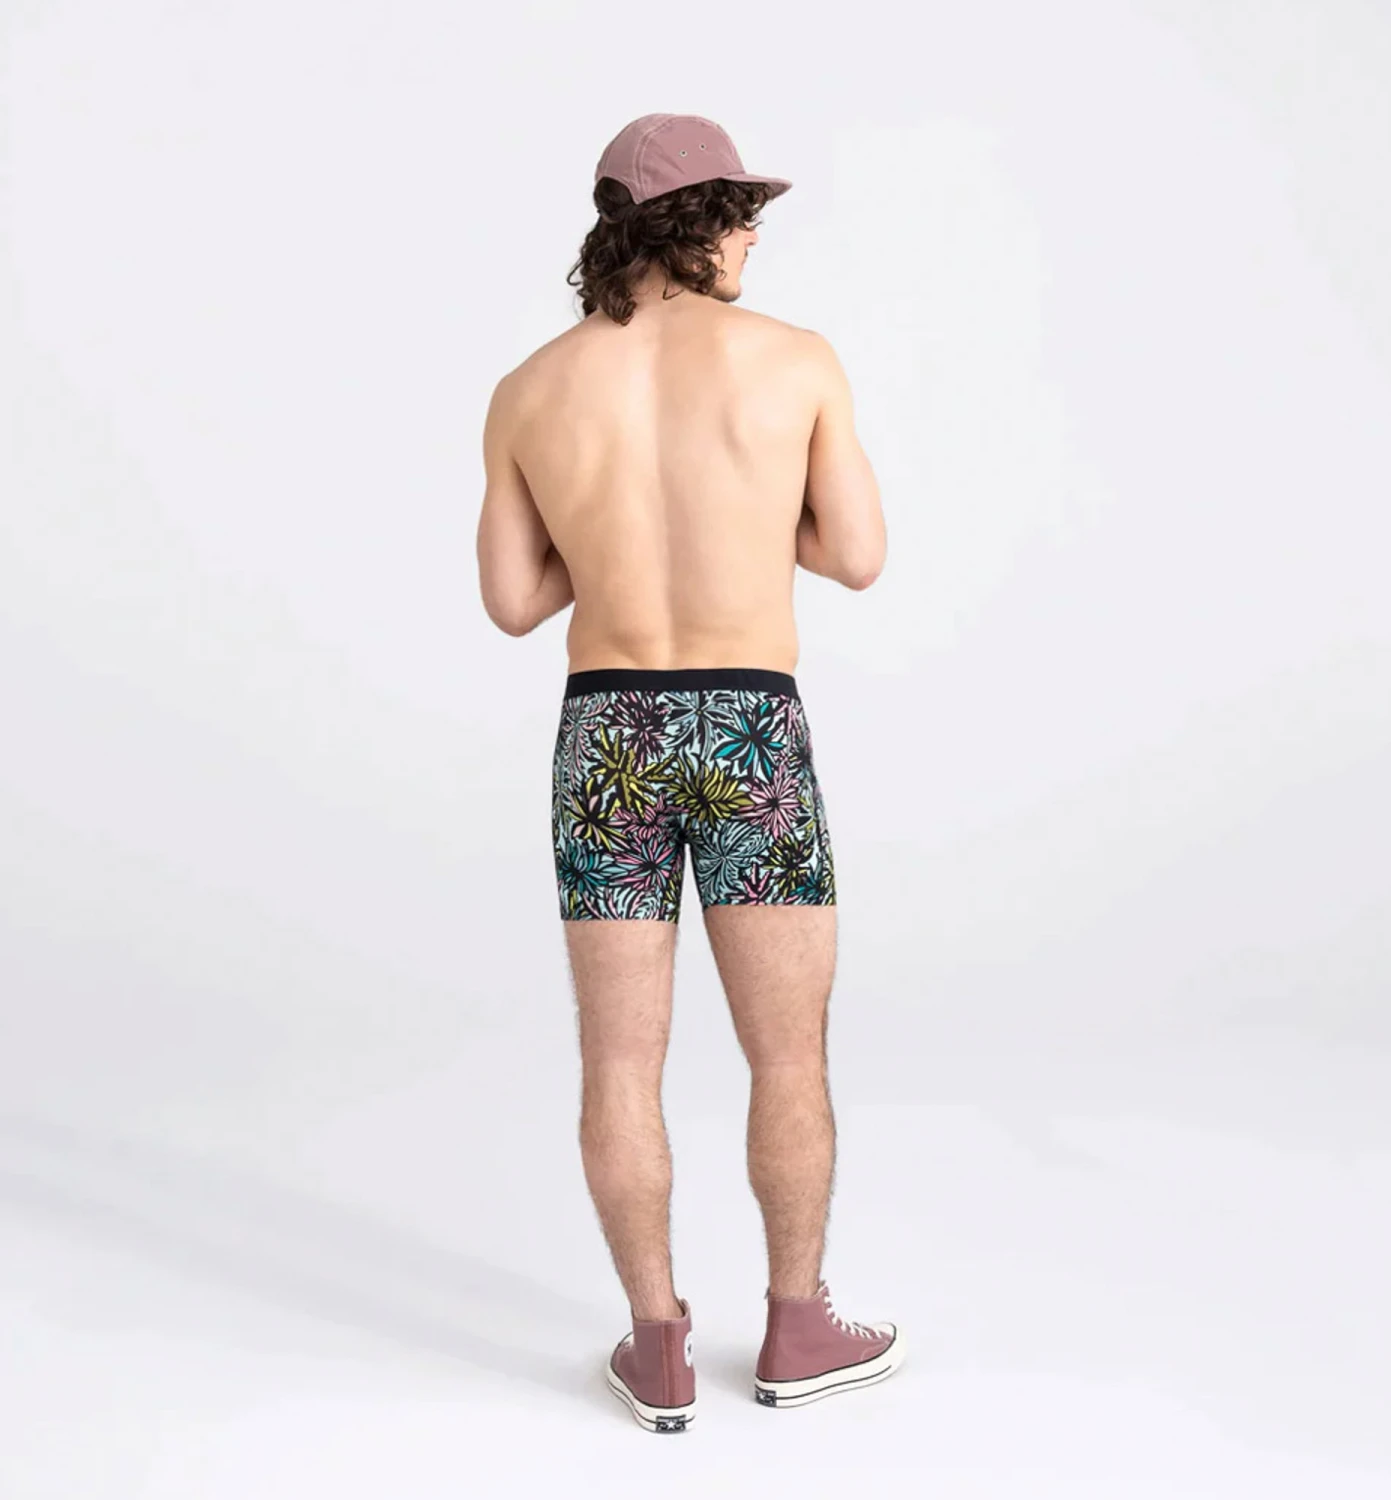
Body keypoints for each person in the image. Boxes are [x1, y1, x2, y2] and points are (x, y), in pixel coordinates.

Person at [475, 113, 901, 1433]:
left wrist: (612, 541)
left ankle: (657, 1346)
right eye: (743, 215)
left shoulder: (530, 389)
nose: (755, 238)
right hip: (747, 727)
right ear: (697, 224)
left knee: (620, 1061)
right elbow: (857, 555)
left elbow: (514, 601)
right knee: (787, 1054)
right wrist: (747, 519)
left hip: (609, 733)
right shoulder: (796, 361)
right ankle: (798, 1325)